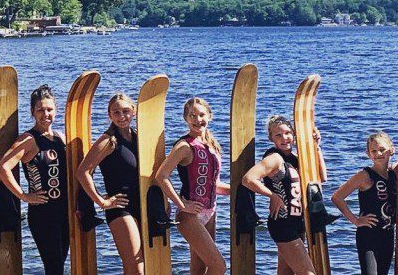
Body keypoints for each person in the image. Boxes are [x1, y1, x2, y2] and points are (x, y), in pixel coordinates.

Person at [0, 84, 69, 275]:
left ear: (56, 110)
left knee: (59, 265)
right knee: (54, 268)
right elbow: (2, 168)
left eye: (49, 109)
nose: (46, 114)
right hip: (43, 213)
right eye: (40, 110)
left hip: (64, 211)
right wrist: (24, 196)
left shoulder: (60, 137)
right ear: (32, 112)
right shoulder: (29, 139)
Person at [244, 115, 327, 275]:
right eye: (278, 135)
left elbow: (321, 177)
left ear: (294, 134)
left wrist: (316, 147)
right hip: (282, 224)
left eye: (288, 133)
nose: (284, 138)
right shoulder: (274, 158)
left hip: (298, 223)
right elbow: (248, 179)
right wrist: (272, 196)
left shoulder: (296, 158)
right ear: (271, 138)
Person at [155, 97, 229, 274]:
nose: (197, 120)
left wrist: (241, 188)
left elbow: (214, 184)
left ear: (209, 116)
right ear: (185, 118)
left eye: (201, 115)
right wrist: (181, 205)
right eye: (192, 115)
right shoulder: (184, 146)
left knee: (199, 268)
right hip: (189, 216)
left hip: (210, 212)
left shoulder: (211, 145)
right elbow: (161, 176)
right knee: (219, 266)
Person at [77, 93, 138, 274]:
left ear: (133, 112)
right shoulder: (108, 141)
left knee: (134, 267)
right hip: (120, 208)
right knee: (136, 268)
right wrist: (102, 202)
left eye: (125, 111)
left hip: (141, 204)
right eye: (116, 112)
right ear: (109, 115)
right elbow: (83, 172)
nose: (121, 117)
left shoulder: (139, 138)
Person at [332, 132, 397, 275]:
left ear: (392, 149)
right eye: (373, 151)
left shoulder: (395, 172)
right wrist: (355, 220)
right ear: (368, 154)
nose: (378, 153)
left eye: (382, 149)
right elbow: (337, 197)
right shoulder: (365, 176)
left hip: (388, 234)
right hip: (368, 235)